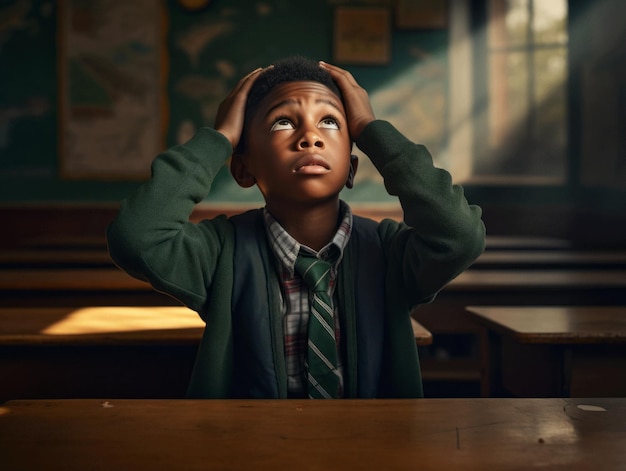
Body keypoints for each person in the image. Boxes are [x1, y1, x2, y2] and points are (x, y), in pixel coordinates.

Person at [106, 56, 485, 399]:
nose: (310, 136)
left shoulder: (388, 252)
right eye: (283, 122)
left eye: (330, 122)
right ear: (243, 169)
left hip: (375, 450)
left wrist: (372, 129)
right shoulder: (222, 253)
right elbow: (137, 235)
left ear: (351, 169)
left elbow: (459, 235)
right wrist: (219, 138)